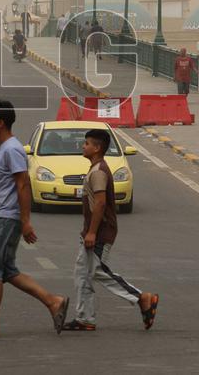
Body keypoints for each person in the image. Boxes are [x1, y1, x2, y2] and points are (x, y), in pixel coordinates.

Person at [0, 100, 69, 339]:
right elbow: (3, 187)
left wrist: (25, 221)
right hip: (2, 215)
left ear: (1, 123)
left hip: (7, 219)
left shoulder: (12, 149)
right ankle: (53, 302)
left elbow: (23, 185)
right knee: (8, 271)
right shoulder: (3, 148)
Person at [64, 129, 158, 332]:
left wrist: (91, 232)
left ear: (97, 148)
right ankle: (85, 318)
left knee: (96, 270)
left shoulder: (98, 171)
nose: (83, 146)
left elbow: (99, 204)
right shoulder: (96, 168)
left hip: (99, 231)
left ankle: (141, 298)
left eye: (87, 143)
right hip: (93, 230)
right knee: (82, 273)